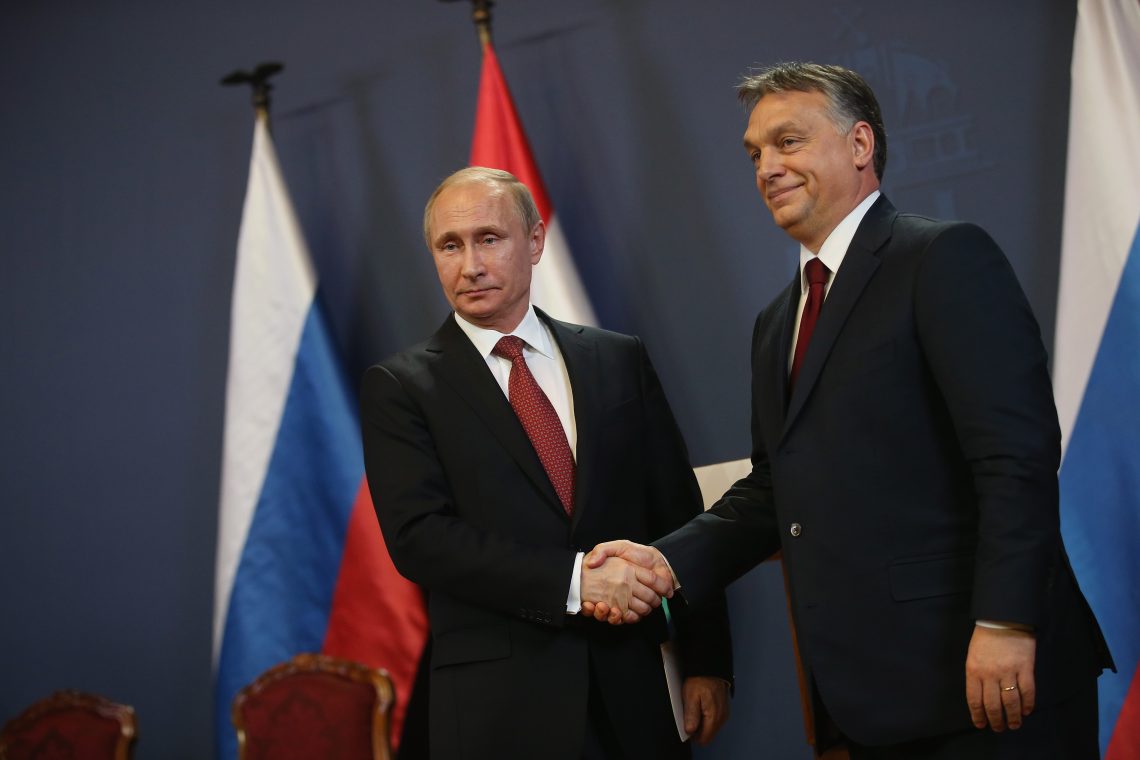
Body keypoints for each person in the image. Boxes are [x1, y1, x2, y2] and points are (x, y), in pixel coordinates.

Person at [583, 62, 1113, 759]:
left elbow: (1015, 456)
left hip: (985, 677)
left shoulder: (941, 258)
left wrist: (1007, 622)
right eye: (755, 153)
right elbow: (774, 491)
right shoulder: (777, 322)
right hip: (868, 700)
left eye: (788, 142)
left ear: (860, 144)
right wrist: (664, 563)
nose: (767, 167)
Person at [360, 167, 732, 759]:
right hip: (501, 710)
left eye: (488, 238)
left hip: (633, 692)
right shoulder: (401, 387)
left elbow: (678, 516)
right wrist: (575, 581)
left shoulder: (617, 360)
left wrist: (707, 659)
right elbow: (420, 538)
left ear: (534, 241)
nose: (470, 265)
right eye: (450, 246)